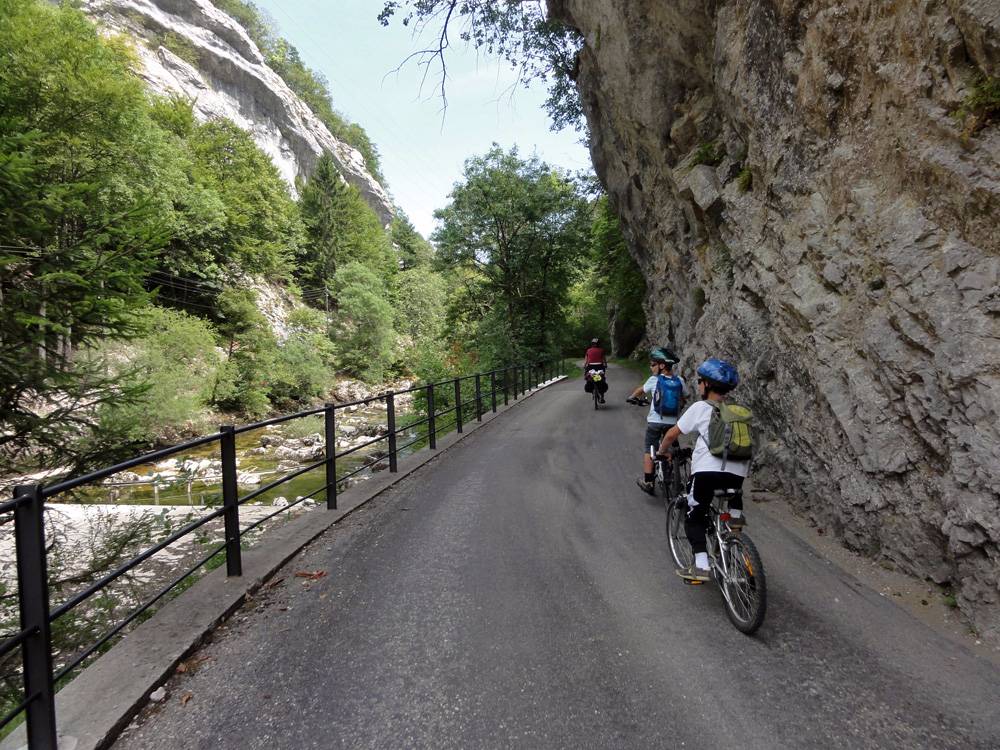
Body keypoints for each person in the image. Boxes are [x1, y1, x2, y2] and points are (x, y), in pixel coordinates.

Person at [656, 357, 748, 582]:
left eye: (700, 381)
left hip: (708, 472)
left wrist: (662, 452)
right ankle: (735, 529)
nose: (698, 385)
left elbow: (671, 434)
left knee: (694, 516)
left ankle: (702, 566)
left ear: (707, 385)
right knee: (731, 508)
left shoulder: (700, 407)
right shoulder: (737, 411)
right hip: (738, 474)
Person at [627, 346, 683, 494]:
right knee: (672, 447)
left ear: (662, 365)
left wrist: (632, 397)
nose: (651, 367)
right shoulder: (680, 381)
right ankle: (673, 473)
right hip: (672, 424)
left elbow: (640, 391)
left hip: (655, 422)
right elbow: (685, 397)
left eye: (653, 364)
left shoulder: (654, 380)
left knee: (649, 448)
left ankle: (648, 481)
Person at [583, 337, 608, 403]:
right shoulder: (602, 350)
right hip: (600, 366)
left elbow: (586, 360)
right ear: (598, 344)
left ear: (592, 344)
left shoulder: (588, 350)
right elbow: (604, 359)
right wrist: (605, 364)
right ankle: (602, 396)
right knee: (602, 379)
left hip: (590, 366)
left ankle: (593, 391)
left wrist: (584, 365)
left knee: (589, 378)